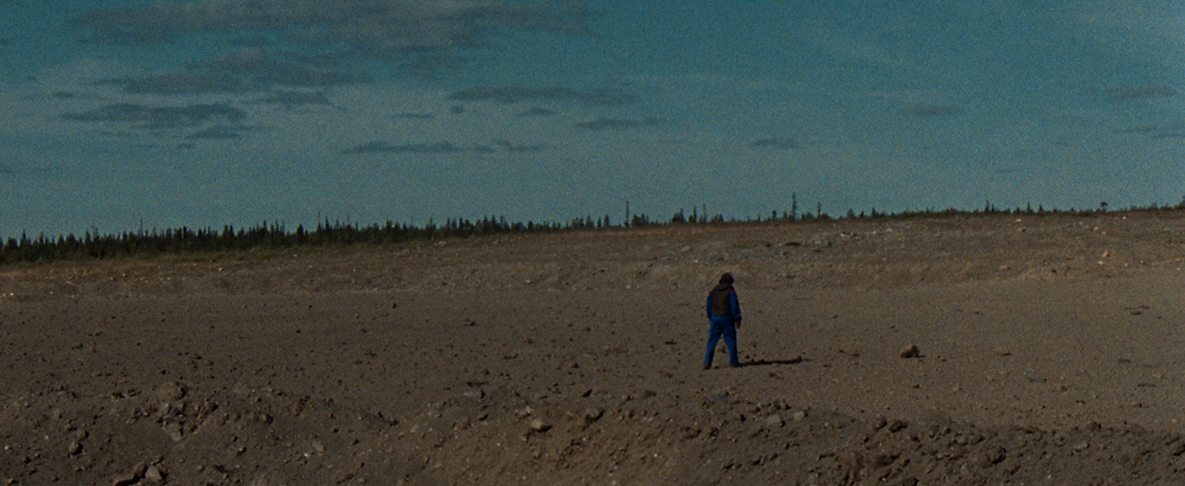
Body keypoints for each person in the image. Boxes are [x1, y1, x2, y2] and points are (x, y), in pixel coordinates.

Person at [703, 272, 742, 369]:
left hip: (715, 318)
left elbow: (708, 306)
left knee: (712, 340)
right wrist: (737, 318)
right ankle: (734, 361)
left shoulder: (713, 291)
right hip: (727, 318)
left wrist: (711, 317)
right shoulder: (730, 291)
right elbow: (734, 305)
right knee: (730, 340)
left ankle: (707, 362)